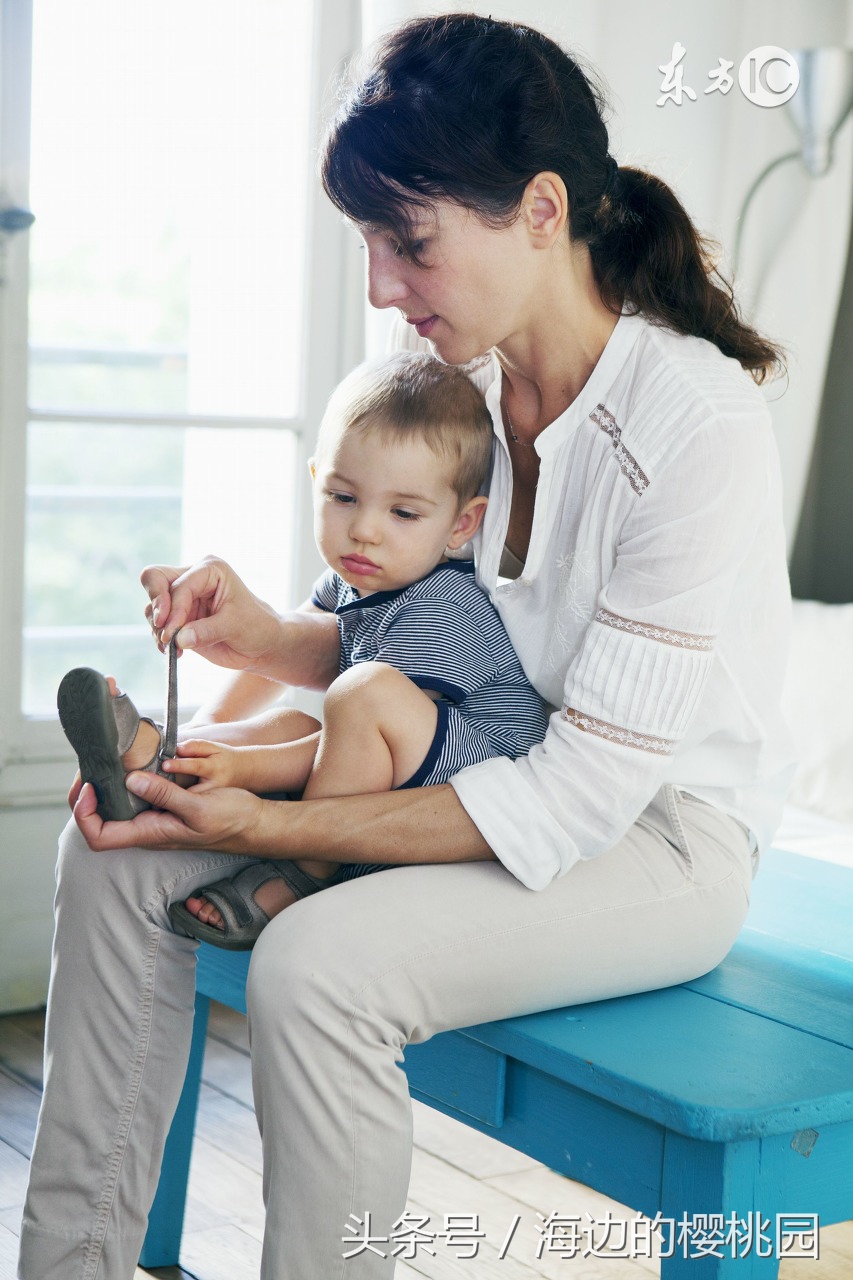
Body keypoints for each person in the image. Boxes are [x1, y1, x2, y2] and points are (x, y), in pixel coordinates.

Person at [18, 13, 795, 1280]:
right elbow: (418, 655)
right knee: (110, 858)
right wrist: (262, 633)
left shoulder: (692, 423)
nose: (381, 285)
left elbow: (581, 790)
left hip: (653, 835)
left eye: (406, 241)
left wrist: (283, 830)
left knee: (318, 968)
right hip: (469, 765)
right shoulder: (459, 386)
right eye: (371, 244)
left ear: (541, 210)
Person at [55, 352, 548, 948]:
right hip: (400, 765)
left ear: (462, 525)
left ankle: (303, 874)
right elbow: (278, 662)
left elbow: (357, 728)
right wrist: (206, 738)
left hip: (466, 790)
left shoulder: (445, 608)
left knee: (359, 694)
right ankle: (156, 756)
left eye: (403, 512)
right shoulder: (361, 578)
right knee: (286, 717)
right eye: (343, 498)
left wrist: (241, 768)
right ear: (317, 480)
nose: (365, 529)